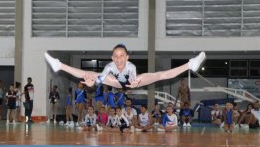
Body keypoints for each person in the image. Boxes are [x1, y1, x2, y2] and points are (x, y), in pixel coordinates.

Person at [45, 44, 206, 89]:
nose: (118, 58)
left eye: (122, 55)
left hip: (132, 82)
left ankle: (190, 65)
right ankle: (59, 65)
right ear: (112, 58)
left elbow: (133, 78)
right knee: (88, 73)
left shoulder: (130, 66)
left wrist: (136, 82)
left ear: (127, 57)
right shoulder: (109, 66)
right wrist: (92, 84)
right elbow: (101, 78)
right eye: (115, 56)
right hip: (115, 83)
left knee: (160, 75)